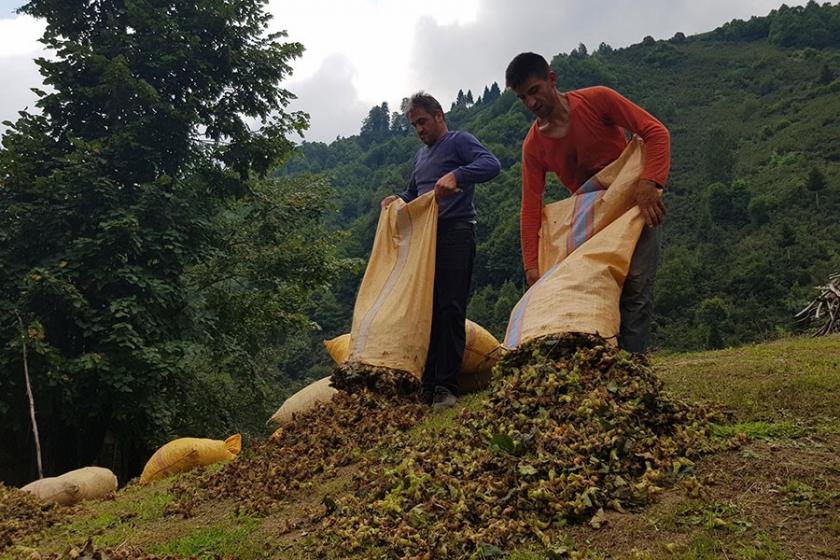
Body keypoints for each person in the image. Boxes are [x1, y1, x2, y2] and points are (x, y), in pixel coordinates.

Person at [505, 52, 670, 353]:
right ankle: (605, 364)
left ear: (551, 80)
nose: (530, 103)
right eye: (522, 98)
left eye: (534, 91)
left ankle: (634, 368)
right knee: (597, 290)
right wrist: (531, 266)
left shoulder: (598, 99)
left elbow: (655, 132)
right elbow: (530, 206)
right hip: (590, 221)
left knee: (637, 287)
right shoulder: (533, 146)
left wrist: (650, 182)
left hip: (633, 206)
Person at [380, 92, 501, 409]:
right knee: (428, 312)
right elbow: (412, 193)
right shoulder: (420, 157)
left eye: (423, 121)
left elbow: (491, 164)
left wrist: (458, 174)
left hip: (456, 232)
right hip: (425, 240)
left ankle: (446, 387)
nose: (419, 129)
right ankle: (428, 385)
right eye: (414, 125)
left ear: (439, 116)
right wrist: (396, 200)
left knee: (450, 309)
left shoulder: (459, 141)